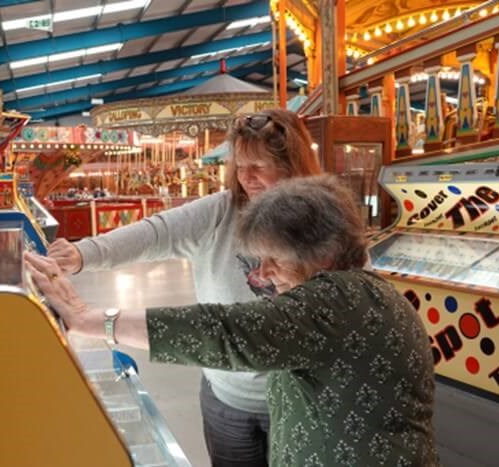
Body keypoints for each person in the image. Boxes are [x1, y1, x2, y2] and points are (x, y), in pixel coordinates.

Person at [26, 175, 440, 467]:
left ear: (323, 253)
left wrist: (91, 319)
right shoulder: (357, 294)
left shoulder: (335, 299)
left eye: (273, 259)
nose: (261, 275)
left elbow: (228, 332)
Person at [46, 109, 321, 466]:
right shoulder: (220, 212)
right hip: (226, 397)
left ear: (289, 165)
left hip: (298, 398)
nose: (246, 177)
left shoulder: (322, 220)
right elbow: (155, 233)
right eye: (240, 166)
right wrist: (82, 254)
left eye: (259, 167)